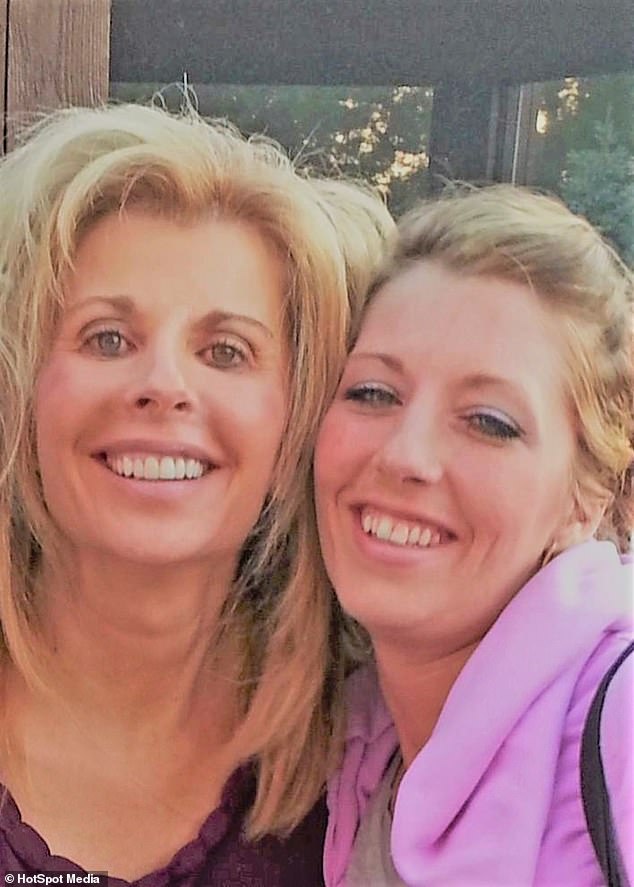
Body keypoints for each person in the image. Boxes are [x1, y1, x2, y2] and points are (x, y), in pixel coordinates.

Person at [0, 102, 393, 884]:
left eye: (226, 351)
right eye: (107, 338)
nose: (164, 384)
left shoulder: (376, 748)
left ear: (298, 417)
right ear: (22, 388)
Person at [314, 185, 634, 886]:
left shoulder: (622, 727)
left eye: (489, 421)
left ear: (588, 497)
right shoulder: (359, 751)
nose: (405, 455)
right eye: (373, 392)